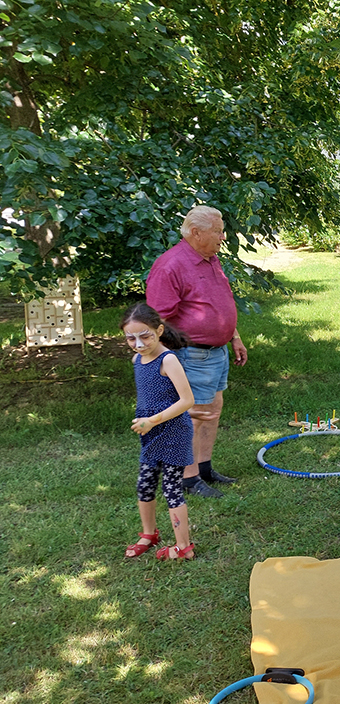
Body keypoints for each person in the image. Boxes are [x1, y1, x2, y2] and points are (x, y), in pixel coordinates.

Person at [146, 205, 248, 498]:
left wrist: (234, 336)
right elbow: (157, 320)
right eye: (217, 231)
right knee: (192, 415)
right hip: (191, 354)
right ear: (195, 232)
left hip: (216, 352)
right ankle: (187, 479)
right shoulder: (171, 265)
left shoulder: (210, 259)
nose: (223, 237)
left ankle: (203, 468)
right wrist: (169, 361)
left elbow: (219, 302)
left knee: (212, 412)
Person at [121, 303, 197, 560]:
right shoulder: (137, 360)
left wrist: (153, 420)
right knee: (145, 486)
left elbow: (187, 400)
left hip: (173, 432)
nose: (139, 344)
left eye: (145, 336)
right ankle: (148, 534)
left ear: (159, 330)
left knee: (171, 488)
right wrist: (147, 422)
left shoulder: (169, 360)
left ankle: (183, 547)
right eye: (131, 338)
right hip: (150, 433)